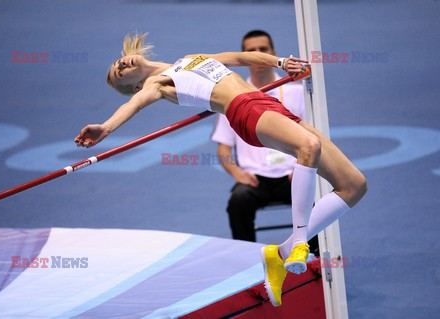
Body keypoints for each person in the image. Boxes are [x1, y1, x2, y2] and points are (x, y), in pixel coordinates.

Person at [74, 33, 367, 307]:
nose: (121, 64)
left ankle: (279, 254)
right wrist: (107, 127)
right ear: (135, 86)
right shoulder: (157, 85)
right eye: (119, 73)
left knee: (354, 185)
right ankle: (300, 242)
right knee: (309, 147)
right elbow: (135, 105)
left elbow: (241, 58)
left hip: (265, 102)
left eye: (118, 62)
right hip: (245, 110)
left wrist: (280, 63)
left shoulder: (189, 58)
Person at [212, 29, 307, 243]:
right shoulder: (231, 99)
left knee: (316, 198)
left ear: (273, 52)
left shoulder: (298, 93)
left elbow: (315, 136)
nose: (258, 54)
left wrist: (303, 167)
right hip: (254, 181)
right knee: (238, 201)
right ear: (244, 57)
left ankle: (315, 259)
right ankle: (247, 261)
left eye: (263, 49)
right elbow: (224, 150)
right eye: (251, 51)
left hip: (294, 175)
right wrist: (236, 172)